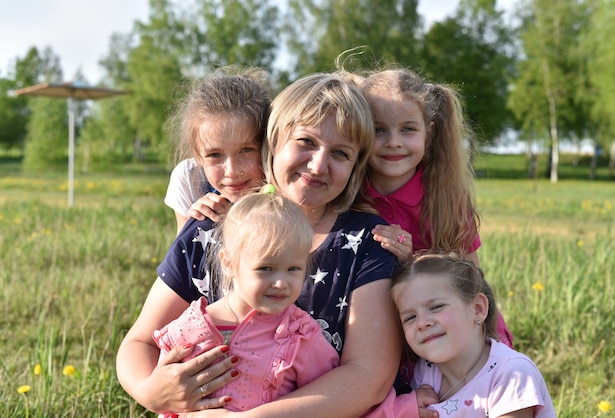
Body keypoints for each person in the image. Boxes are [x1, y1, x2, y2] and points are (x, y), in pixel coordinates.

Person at [117, 73, 414, 418]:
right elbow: (139, 342)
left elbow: (369, 376)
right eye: (305, 142)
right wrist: (149, 391)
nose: (318, 165)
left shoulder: (368, 243)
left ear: (356, 165)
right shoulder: (211, 230)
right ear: (272, 142)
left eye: (341, 153)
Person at [343, 68, 514, 352]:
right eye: (379, 129)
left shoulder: (445, 198)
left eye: (407, 129)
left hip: (445, 334)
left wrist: (412, 260)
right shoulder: (348, 191)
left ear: (429, 132)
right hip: (372, 333)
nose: (394, 141)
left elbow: (471, 279)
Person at [153, 190, 339, 416]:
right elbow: (168, 401)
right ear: (228, 263)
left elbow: (326, 404)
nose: (281, 282)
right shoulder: (188, 329)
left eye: (293, 269)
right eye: (265, 268)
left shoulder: (300, 336)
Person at [390, 252, 556, 417]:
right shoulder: (425, 372)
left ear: (478, 308)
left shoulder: (512, 373)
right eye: (410, 317)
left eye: (436, 307)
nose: (422, 323)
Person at [163, 67, 271, 234]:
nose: (232, 171)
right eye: (214, 155)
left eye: (246, 150)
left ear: (267, 145)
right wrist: (193, 228)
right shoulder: (190, 178)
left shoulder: (284, 187)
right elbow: (182, 258)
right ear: (197, 155)